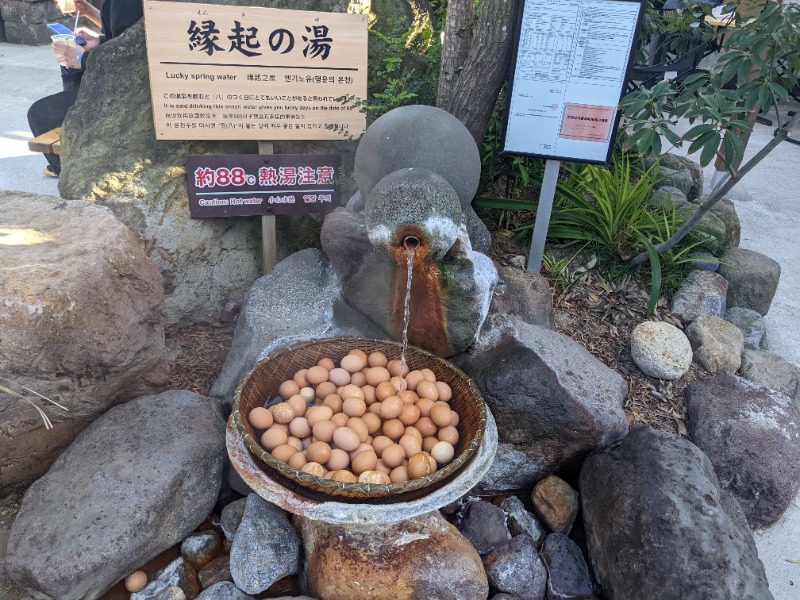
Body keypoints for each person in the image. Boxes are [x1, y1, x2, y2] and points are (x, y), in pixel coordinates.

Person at [28, 0, 143, 177]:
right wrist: (97, 36)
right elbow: (132, 34)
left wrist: (85, 59)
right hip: (137, 81)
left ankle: (71, 173)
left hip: (135, 94)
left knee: (39, 115)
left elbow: (133, 59)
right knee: (68, 66)